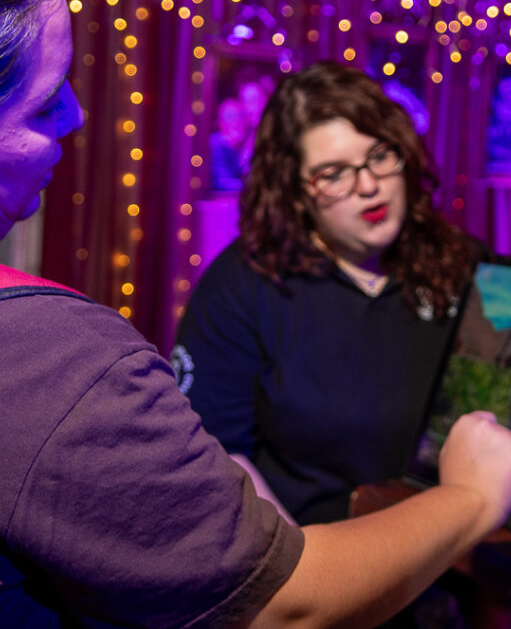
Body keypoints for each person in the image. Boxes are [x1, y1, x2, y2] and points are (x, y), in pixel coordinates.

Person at [0, 0, 511, 627]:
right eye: (43, 104)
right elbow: (282, 604)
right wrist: (471, 497)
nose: (77, 115)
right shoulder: (49, 359)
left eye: (380, 158)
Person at [173, 61, 484, 526]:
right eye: (334, 173)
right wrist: (302, 559)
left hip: (447, 545)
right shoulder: (243, 285)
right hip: (311, 547)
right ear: (295, 192)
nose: (369, 186)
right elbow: (218, 452)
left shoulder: (461, 263)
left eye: (380, 155)